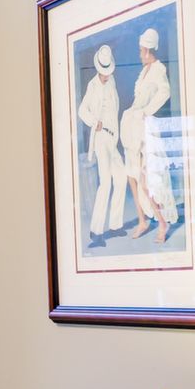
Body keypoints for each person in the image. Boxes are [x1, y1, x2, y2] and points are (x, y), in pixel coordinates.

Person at [120, 27, 177, 242]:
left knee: (146, 180)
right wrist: (135, 113)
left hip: (146, 127)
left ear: (146, 50)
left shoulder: (158, 69)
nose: (139, 53)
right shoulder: (144, 71)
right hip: (133, 125)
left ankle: (162, 222)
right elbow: (138, 100)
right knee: (131, 174)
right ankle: (142, 220)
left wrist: (147, 111)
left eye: (140, 50)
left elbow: (165, 92)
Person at [77, 44, 126, 246]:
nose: (106, 75)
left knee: (121, 177)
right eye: (104, 72)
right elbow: (82, 110)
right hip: (101, 138)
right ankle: (95, 232)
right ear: (98, 68)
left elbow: (114, 107)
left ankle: (115, 225)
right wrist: (93, 121)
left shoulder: (111, 80)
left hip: (112, 138)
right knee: (105, 182)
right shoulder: (93, 86)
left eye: (108, 71)